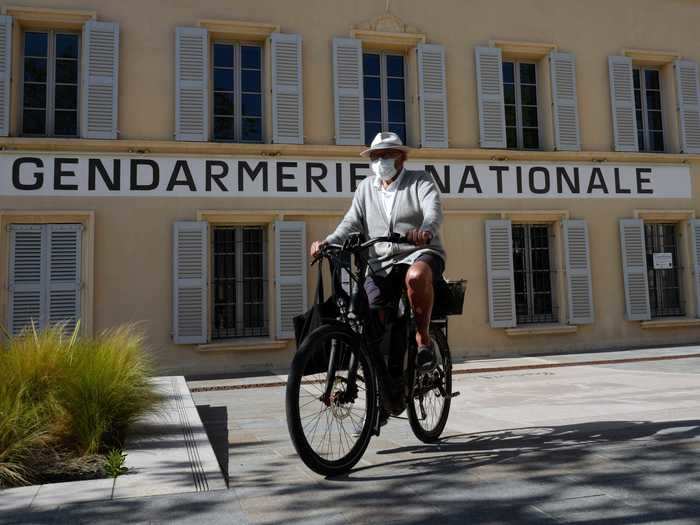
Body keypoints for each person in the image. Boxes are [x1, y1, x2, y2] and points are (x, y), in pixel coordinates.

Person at [310, 131, 446, 371]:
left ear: (402, 158)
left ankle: (423, 340)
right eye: (375, 156)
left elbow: (432, 211)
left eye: (387, 155)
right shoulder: (365, 188)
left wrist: (425, 230)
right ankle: (381, 381)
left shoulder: (420, 180)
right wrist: (328, 242)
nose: (380, 161)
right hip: (381, 263)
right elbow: (351, 221)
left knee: (415, 277)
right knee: (369, 316)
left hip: (419, 252)